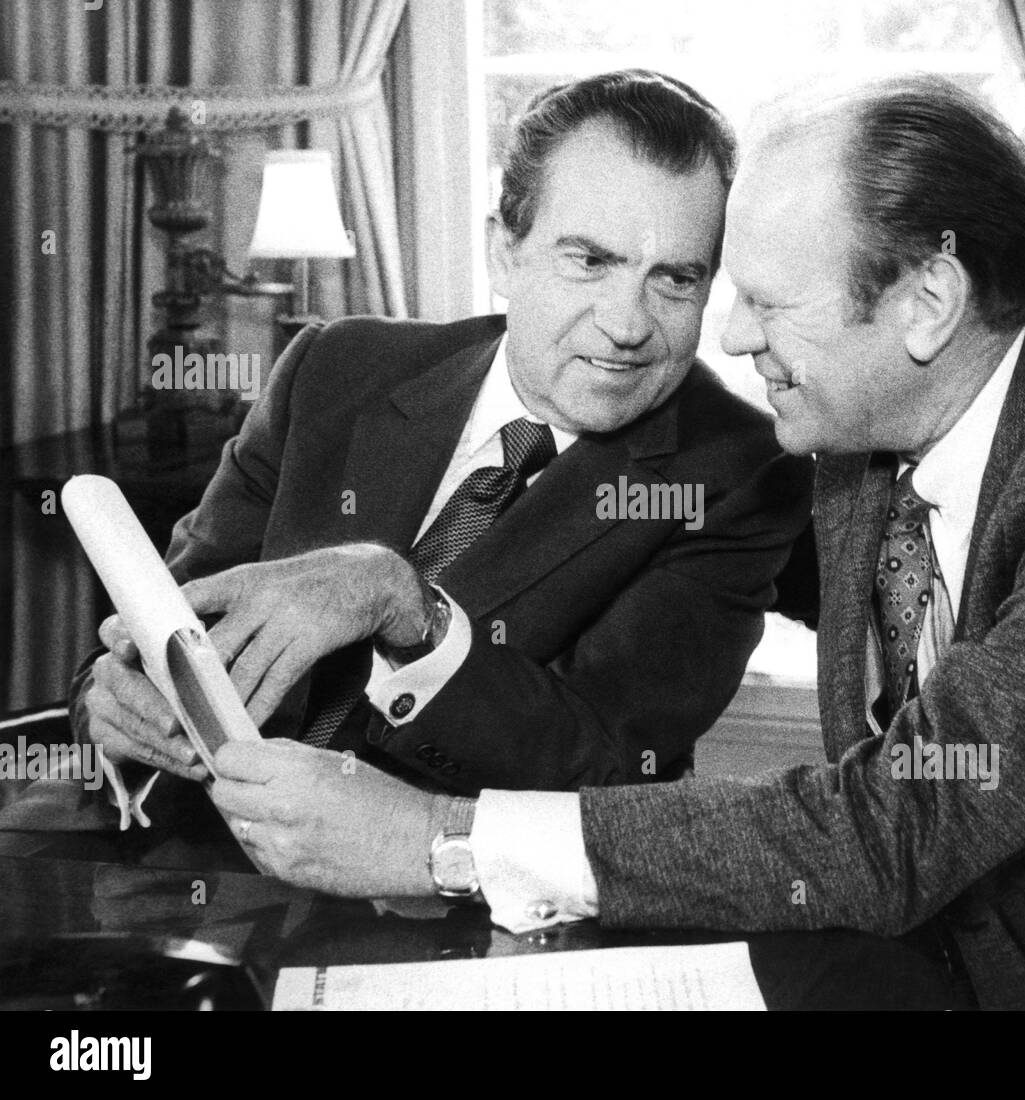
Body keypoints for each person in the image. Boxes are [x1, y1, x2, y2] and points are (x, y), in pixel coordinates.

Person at [208, 74, 1025, 1009]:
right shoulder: (858, 437)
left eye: (765, 303)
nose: (726, 337)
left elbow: (895, 824)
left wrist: (436, 834)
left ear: (927, 302)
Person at [69, 69, 813, 806]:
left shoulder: (737, 471)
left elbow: (611, 769)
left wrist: (410, 612)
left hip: (460, 907)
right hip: (203, 864)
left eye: (676, 280)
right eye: (589, 260)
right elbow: (165, 629)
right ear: (504, 254)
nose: (627, 325)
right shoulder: (334, 368)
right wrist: (109, 708)